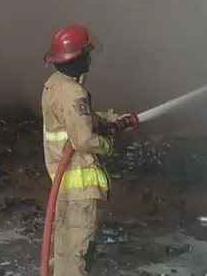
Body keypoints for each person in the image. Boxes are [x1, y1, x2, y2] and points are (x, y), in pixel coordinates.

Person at [41, 24, 138, 276]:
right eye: (87, 54)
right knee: (76, 258)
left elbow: (79, 119)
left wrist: (113, 120)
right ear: (77, 58)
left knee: (62, 254)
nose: (90, 59)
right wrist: (108, 143)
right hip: (81, 190)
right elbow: (84, 140)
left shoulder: (54, 85)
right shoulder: (74, 93)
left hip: (64, 187)